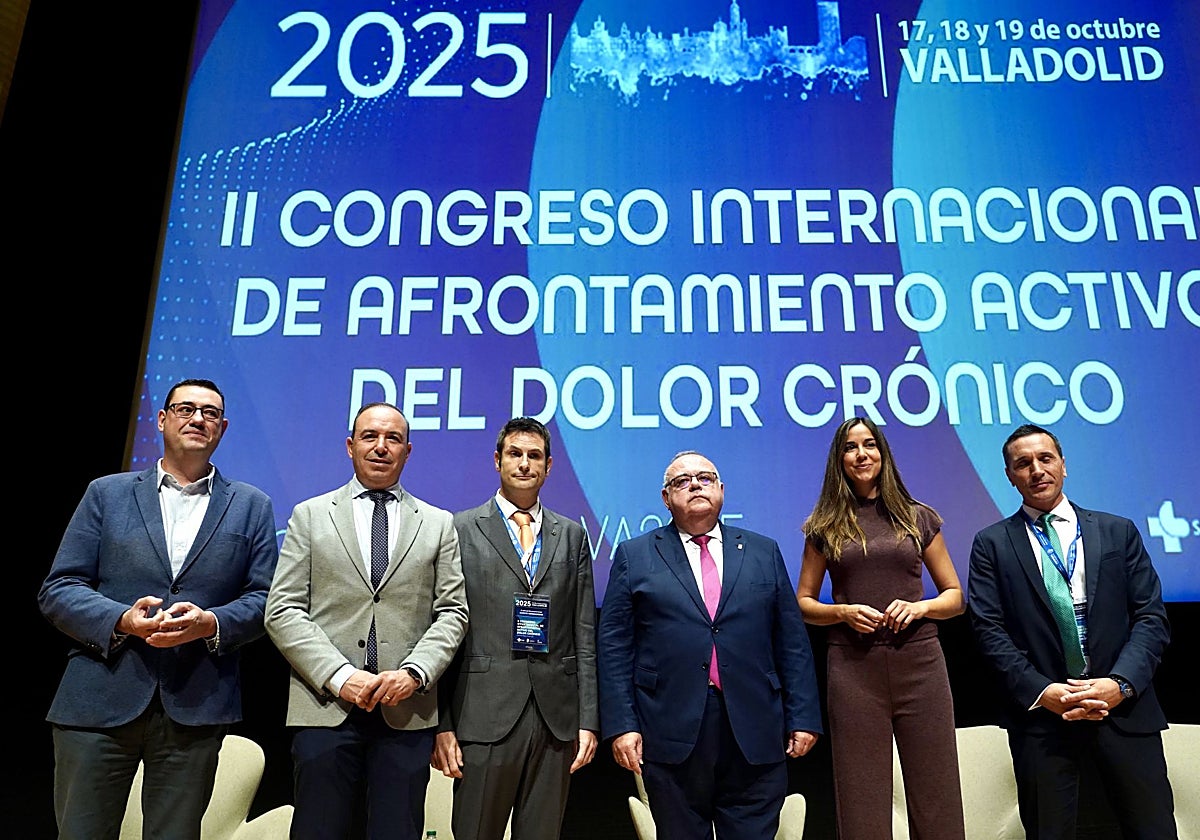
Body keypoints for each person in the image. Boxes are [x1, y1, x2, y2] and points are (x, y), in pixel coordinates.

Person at [38, 378, 279, 839]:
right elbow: (60, 587)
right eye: (186, 408)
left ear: (222, 428)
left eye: (210, 413)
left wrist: (211, 623)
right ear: (163, 419)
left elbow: (265, 599)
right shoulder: (106, 493)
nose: (198, 419)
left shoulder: (251, 506)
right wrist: (120, 619)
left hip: (196, 705)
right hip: (98, 701)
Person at [265, 402, 469, 840]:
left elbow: (453, 612)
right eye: (370, 436)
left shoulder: (438, 523)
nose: (381, 447)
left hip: (406, 709)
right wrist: (340, 677)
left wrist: (414, 674)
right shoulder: (310, 515)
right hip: (326, 706)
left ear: (408, 451)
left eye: (393, 438)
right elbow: (282, 609)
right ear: (350, 445)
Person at [597, 450, 821, 840]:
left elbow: (791, 641)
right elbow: (615, 647)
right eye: (682, 481)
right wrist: (621, 725)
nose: (695, 485)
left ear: (721, 489)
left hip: (755, 729)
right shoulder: (634, 555)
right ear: (665, 498)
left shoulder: (762, 551)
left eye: (705, 477)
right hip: (669, 730)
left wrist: (803, 715)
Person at [968, 423, 1176, 839]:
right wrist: (1044, 692)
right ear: (1009, 476)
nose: (1036, 470)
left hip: (1124, 710)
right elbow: (988, 631)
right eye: (1022, 464)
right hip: (1044, 717)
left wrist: (1120, 684)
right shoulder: (991, 543)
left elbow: (1150, 618)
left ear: (1064, 465)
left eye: (1045, 459)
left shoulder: (1118, 531)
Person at [795, 416, 966, 839]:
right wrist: (842, 613)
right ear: (840, 460)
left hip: (921, 664)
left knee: (937, 793)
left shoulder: (918, 517)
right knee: (860, 799)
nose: (861, 454)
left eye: (869, 444)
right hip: (853, 669)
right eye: (850, 447)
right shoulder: (824, 525)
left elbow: (954, 597)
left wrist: (921, 608)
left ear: (883, 452)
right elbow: (803, 603)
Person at [432, 417, 598, 840]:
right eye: (515, 454)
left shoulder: (573, 535)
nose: (524, 464)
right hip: (481, 713)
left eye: (534, 456)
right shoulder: (460, 528)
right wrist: (443, 723)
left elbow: (583, 632)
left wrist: (589, 720)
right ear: (497, 460)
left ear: (548, 466)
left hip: (554, 719)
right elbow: (443, 628)